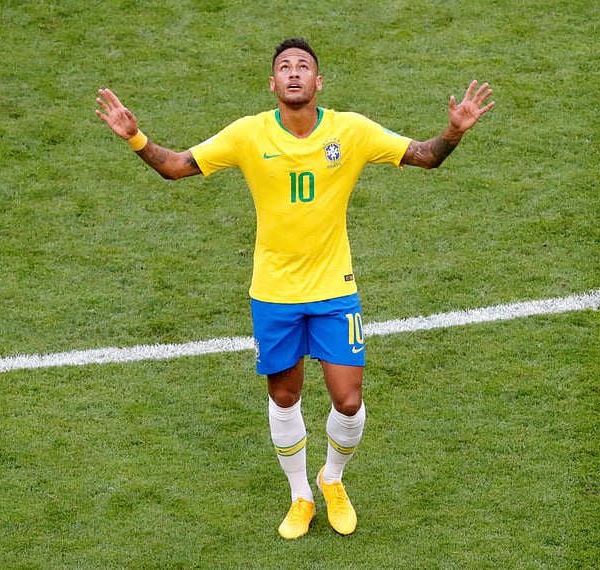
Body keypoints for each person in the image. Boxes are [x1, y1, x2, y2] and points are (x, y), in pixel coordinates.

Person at [95, 37, 494, 539]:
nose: (294, 73)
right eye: (284, 67)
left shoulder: (350, 131)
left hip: (334, 289)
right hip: (274, 294)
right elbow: (176, 166)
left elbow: (424, 156)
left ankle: (333, 479)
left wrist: (452, 133)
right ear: (272, 83)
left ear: (318, 81)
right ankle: (300, 495)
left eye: (303, 66)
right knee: (285, 398)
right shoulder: (248, 134)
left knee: (348, 401)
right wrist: (135, 137)